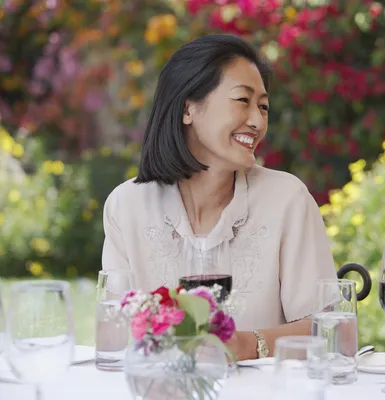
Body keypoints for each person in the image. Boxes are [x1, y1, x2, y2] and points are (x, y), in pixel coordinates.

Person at [101, 34, 337, 360]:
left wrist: (248, 345)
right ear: (188, 108)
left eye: (264, 106)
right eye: (243, 100)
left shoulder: (286, 200)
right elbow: (114, 333)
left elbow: (331, 329)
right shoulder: (126, 207)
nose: (257, 121)